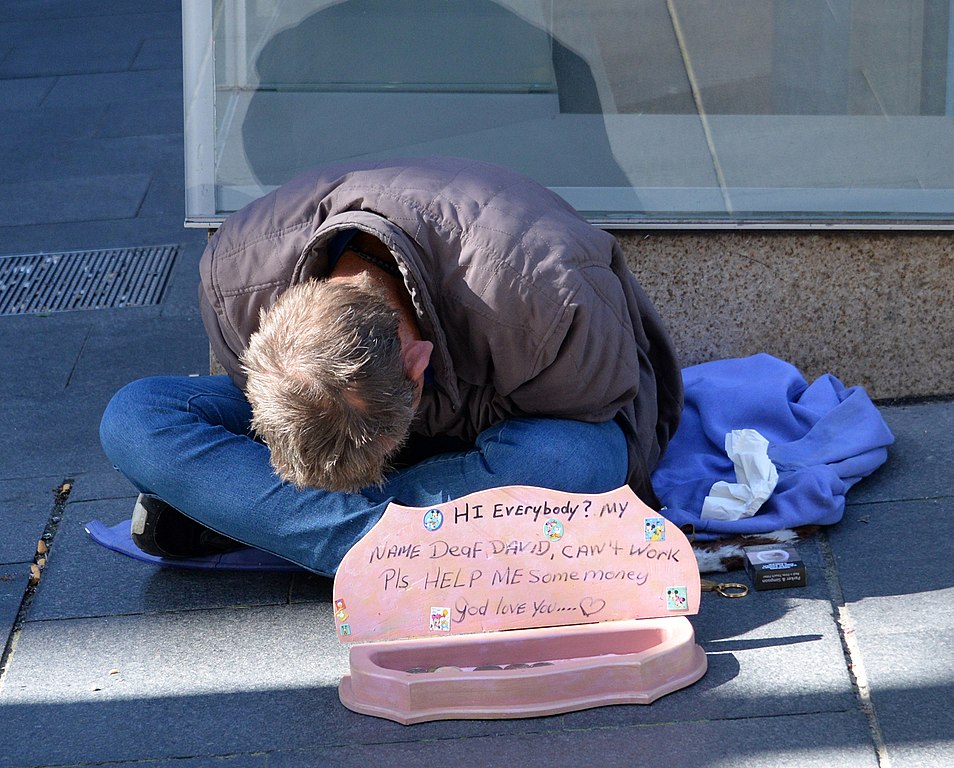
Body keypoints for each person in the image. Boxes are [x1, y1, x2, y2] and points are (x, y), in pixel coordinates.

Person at [99, 157, 683, 576]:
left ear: (418, 363)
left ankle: (286, 531)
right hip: (432, 465)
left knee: (578, 462)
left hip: (522, 421)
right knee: (136, 416)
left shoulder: (547, 294)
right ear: (266, 341)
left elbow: (601, 415)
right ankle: (395, 547)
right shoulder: (236, 275)